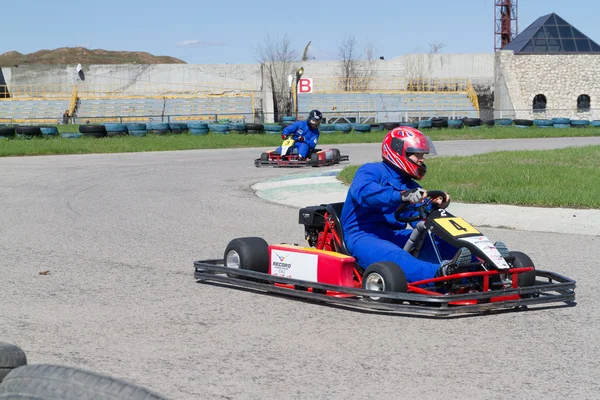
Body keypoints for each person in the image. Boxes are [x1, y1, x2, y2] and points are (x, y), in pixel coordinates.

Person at [340, 126, 469, 283]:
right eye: (417, 155)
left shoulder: (410, 185)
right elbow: (366, 195)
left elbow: (416, 220)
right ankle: (441, 275)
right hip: (362, 235)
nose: (422, 160)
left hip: (392, 234)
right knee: (395, 255)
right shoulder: (370, 171)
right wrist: (402, 196)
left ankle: (484, 266)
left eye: (423, 155)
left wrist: (434, 206)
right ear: (399, 152)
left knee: (438, 239)